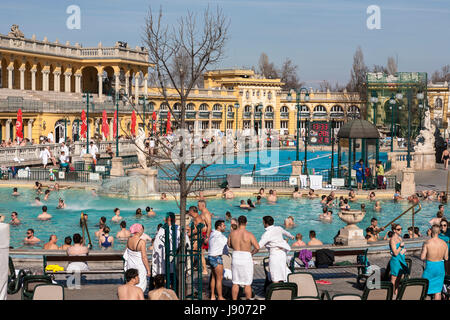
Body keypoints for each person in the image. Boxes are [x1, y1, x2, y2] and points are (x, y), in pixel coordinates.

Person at [228, 215, 260, 300]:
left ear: (238, 223)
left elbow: (229, 244)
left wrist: (236, 247)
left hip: (236, 256)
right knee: (247, 283)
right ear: (246, 223)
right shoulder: (249, 234)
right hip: (246, 257)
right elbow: (257, 247)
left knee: (235, 282)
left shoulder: (232, 233)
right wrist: (252, 253)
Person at [258, 216, 294, 283]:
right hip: (282, 253)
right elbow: (286, 233)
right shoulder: (278, 228)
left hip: (275, 254)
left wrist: (251, 253)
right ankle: (282, 288)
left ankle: (276, 291)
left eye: (263, 222)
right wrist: (291, 236)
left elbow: (258, 246)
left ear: (265, 223)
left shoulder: (266, 234)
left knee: (275, 275)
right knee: (282, 271)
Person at [421, 224, 448, 300]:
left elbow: (422, 257)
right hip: (440, 267)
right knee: (438, 291)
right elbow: (446, 258)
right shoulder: (444, 243)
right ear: (439, 232)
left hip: (430, 266)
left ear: (431, 231)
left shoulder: (427, 243)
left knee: (425, 288)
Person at [123, 223, 151, 292]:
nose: (142, 231)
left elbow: (126, 252)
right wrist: (148, 270)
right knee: (140, 287)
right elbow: (144, 257)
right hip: (140, 267)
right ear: (139, 230)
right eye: (141, 229)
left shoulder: (129, 239)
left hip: (130, 265)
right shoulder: (142, 242)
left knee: (131, 284)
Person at [208, 220, 228, 300]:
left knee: (213, 277)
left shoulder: (212, 234)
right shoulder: (222, 237)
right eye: (223, 225)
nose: (225, 226)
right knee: (219, 278)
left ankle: (212, 295)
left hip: (210, 257)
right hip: (217, 258)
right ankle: (220, 297)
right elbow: (228, 246)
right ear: (219, 227)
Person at [389, 223, 409, 296]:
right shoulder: (392, 240)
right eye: (398, 229)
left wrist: (404, 250)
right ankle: (390, 294)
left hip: (401, 259)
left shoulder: (400, 238)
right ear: (394, 230)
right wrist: (400, 247)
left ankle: (396, 293)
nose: (400, 230)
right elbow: (395, 253)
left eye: (401, 229)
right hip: (395, 261)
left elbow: (401, 250)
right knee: (393, 279)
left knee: (398, 279)